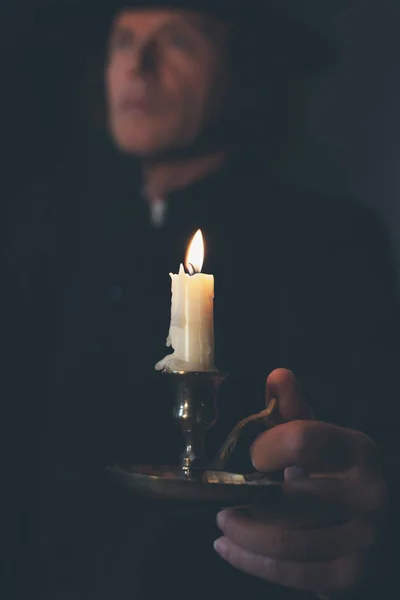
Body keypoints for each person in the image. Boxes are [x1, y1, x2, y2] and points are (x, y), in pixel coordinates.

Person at [3, 1, 396, 598]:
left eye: (178, 40)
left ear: (243, 73)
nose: (138, 65)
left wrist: (354, 518)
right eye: (122, 41)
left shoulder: (329, 242)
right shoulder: (42, 231)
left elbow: (357, 457)